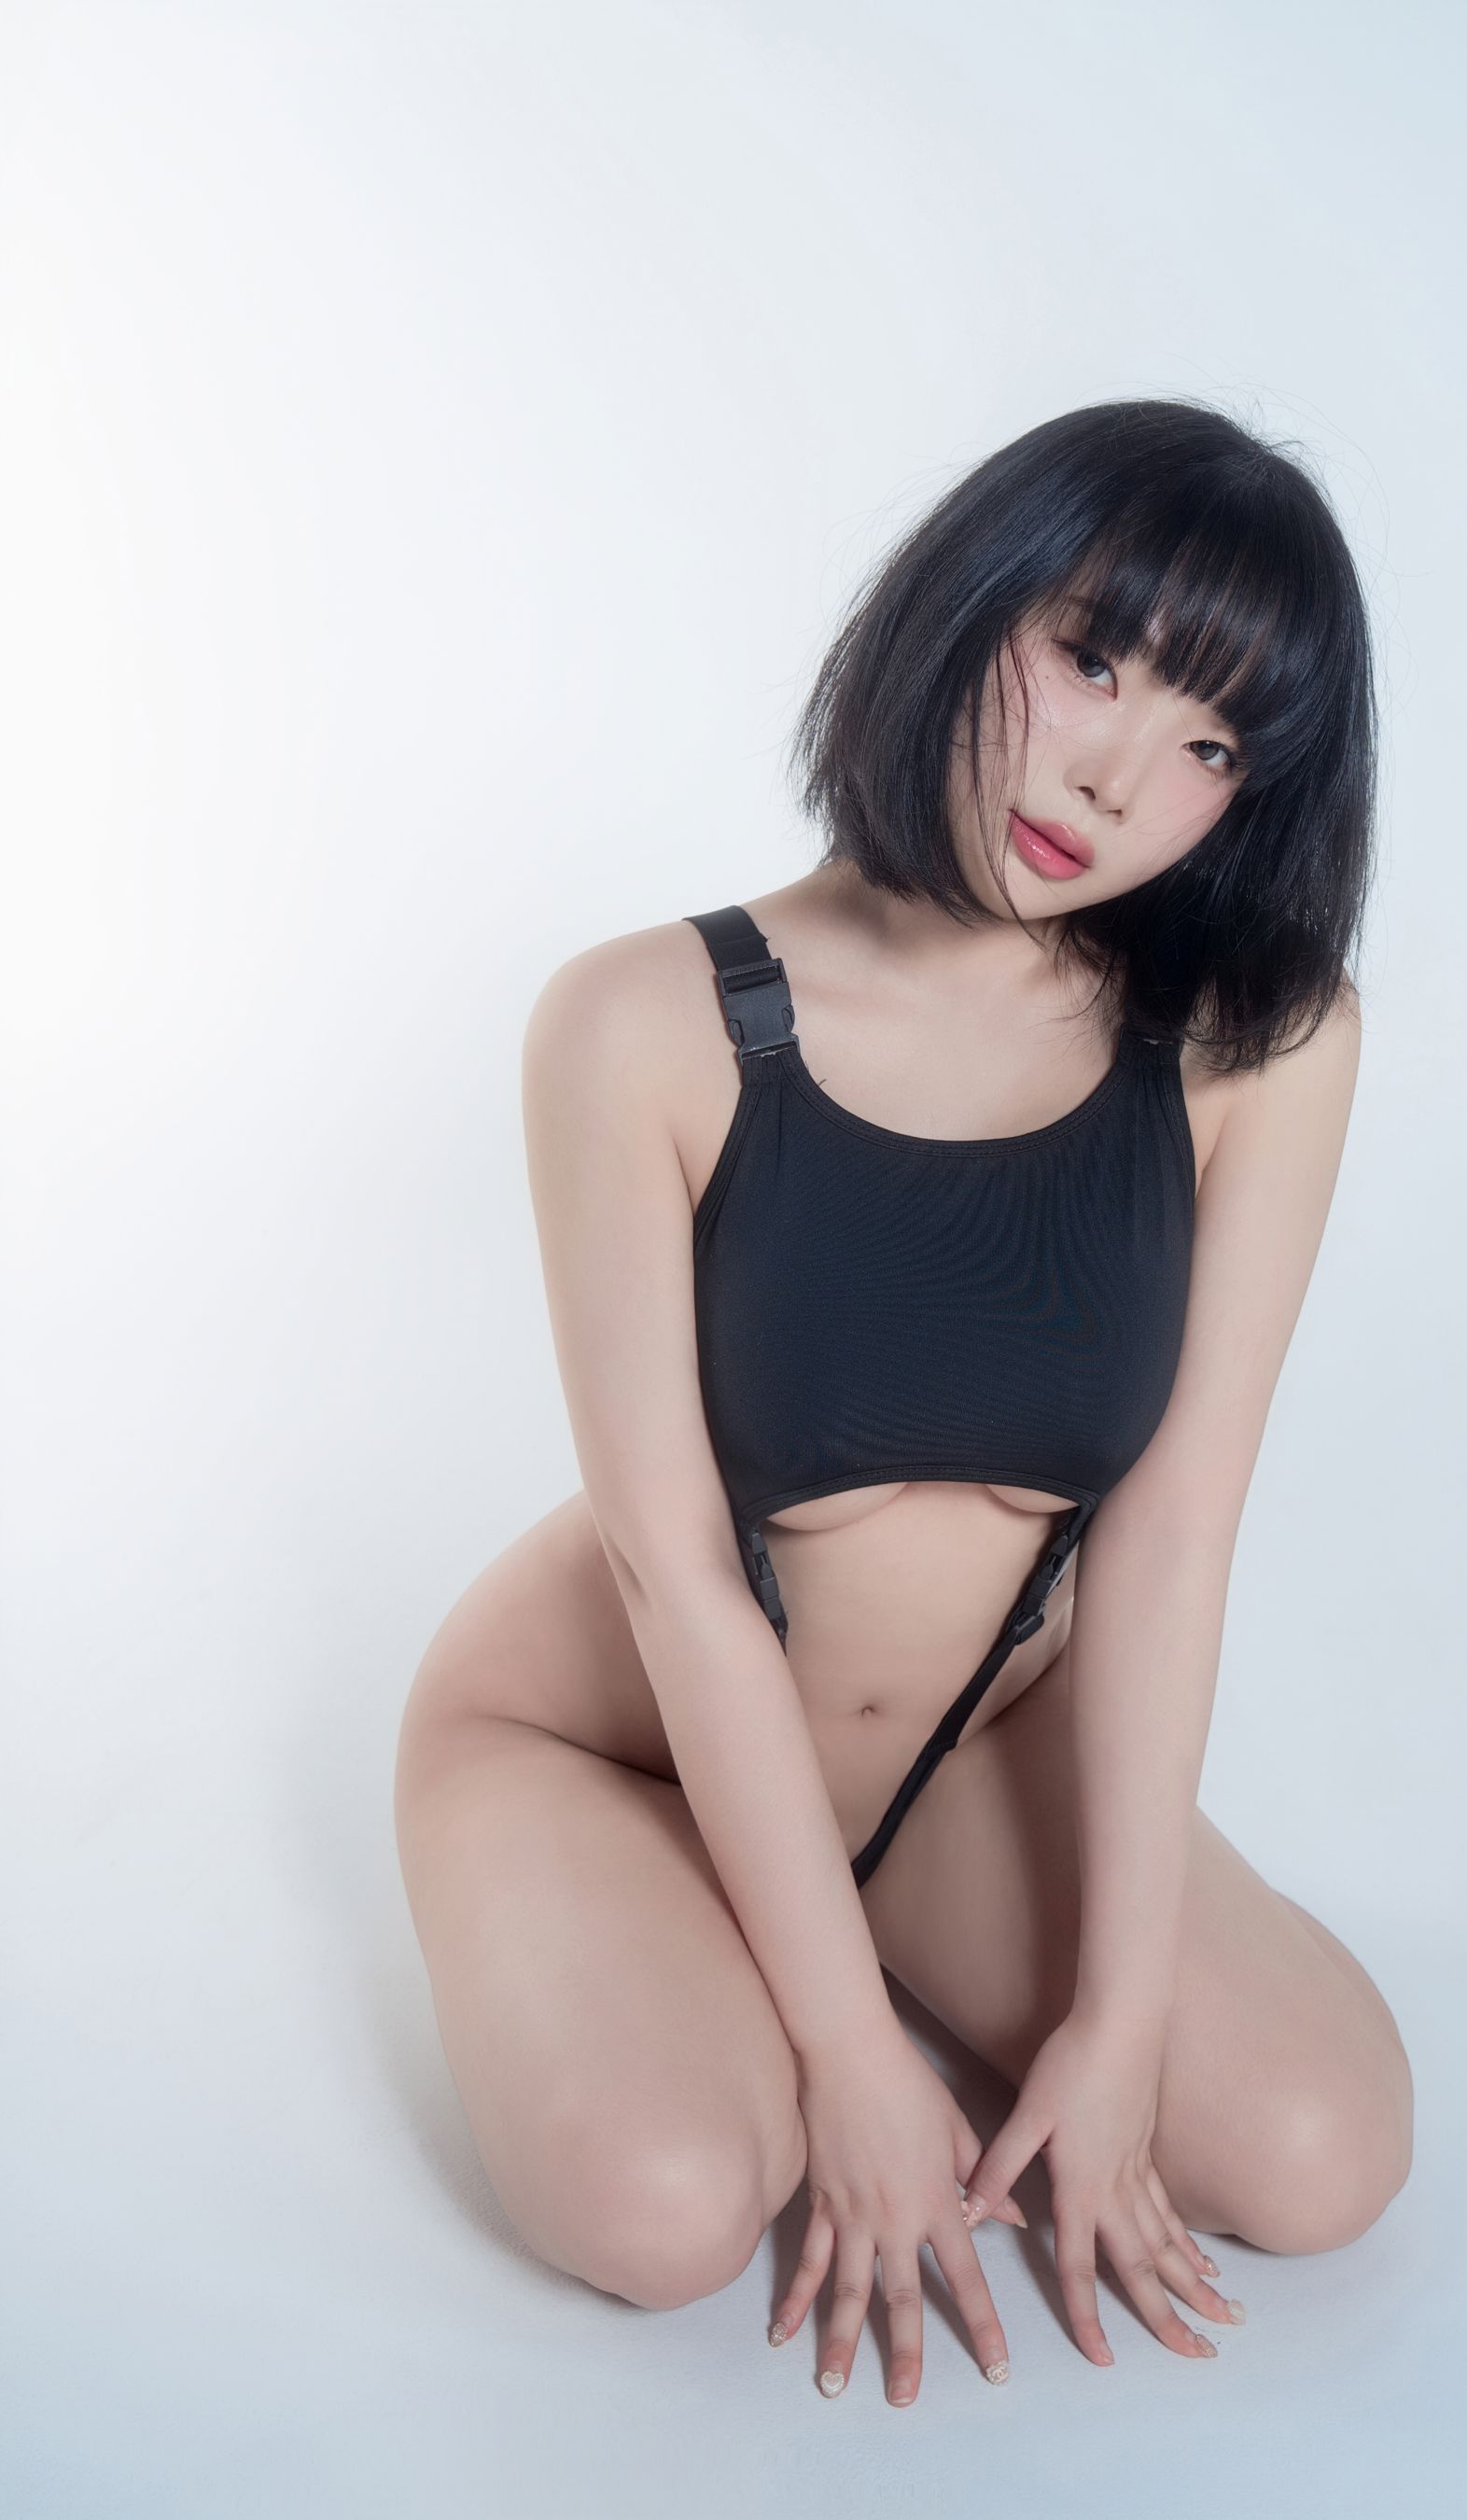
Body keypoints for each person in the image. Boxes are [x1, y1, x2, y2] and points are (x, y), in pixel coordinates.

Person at [393, 399, 1414, 2410]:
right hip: (612, 1740)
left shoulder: (1253, 1048)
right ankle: (678, 1939)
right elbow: (673, 1571)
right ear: (968, 602)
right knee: (674, 2211)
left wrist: (1117, 2018)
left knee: (1324, 2155)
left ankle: (843, 1929)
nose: (1116, 777)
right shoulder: (644, 1023)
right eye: (1091, 658)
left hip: (956, 1747)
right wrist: (850, 2048)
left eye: (1214, 745)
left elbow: (1173, 1536)